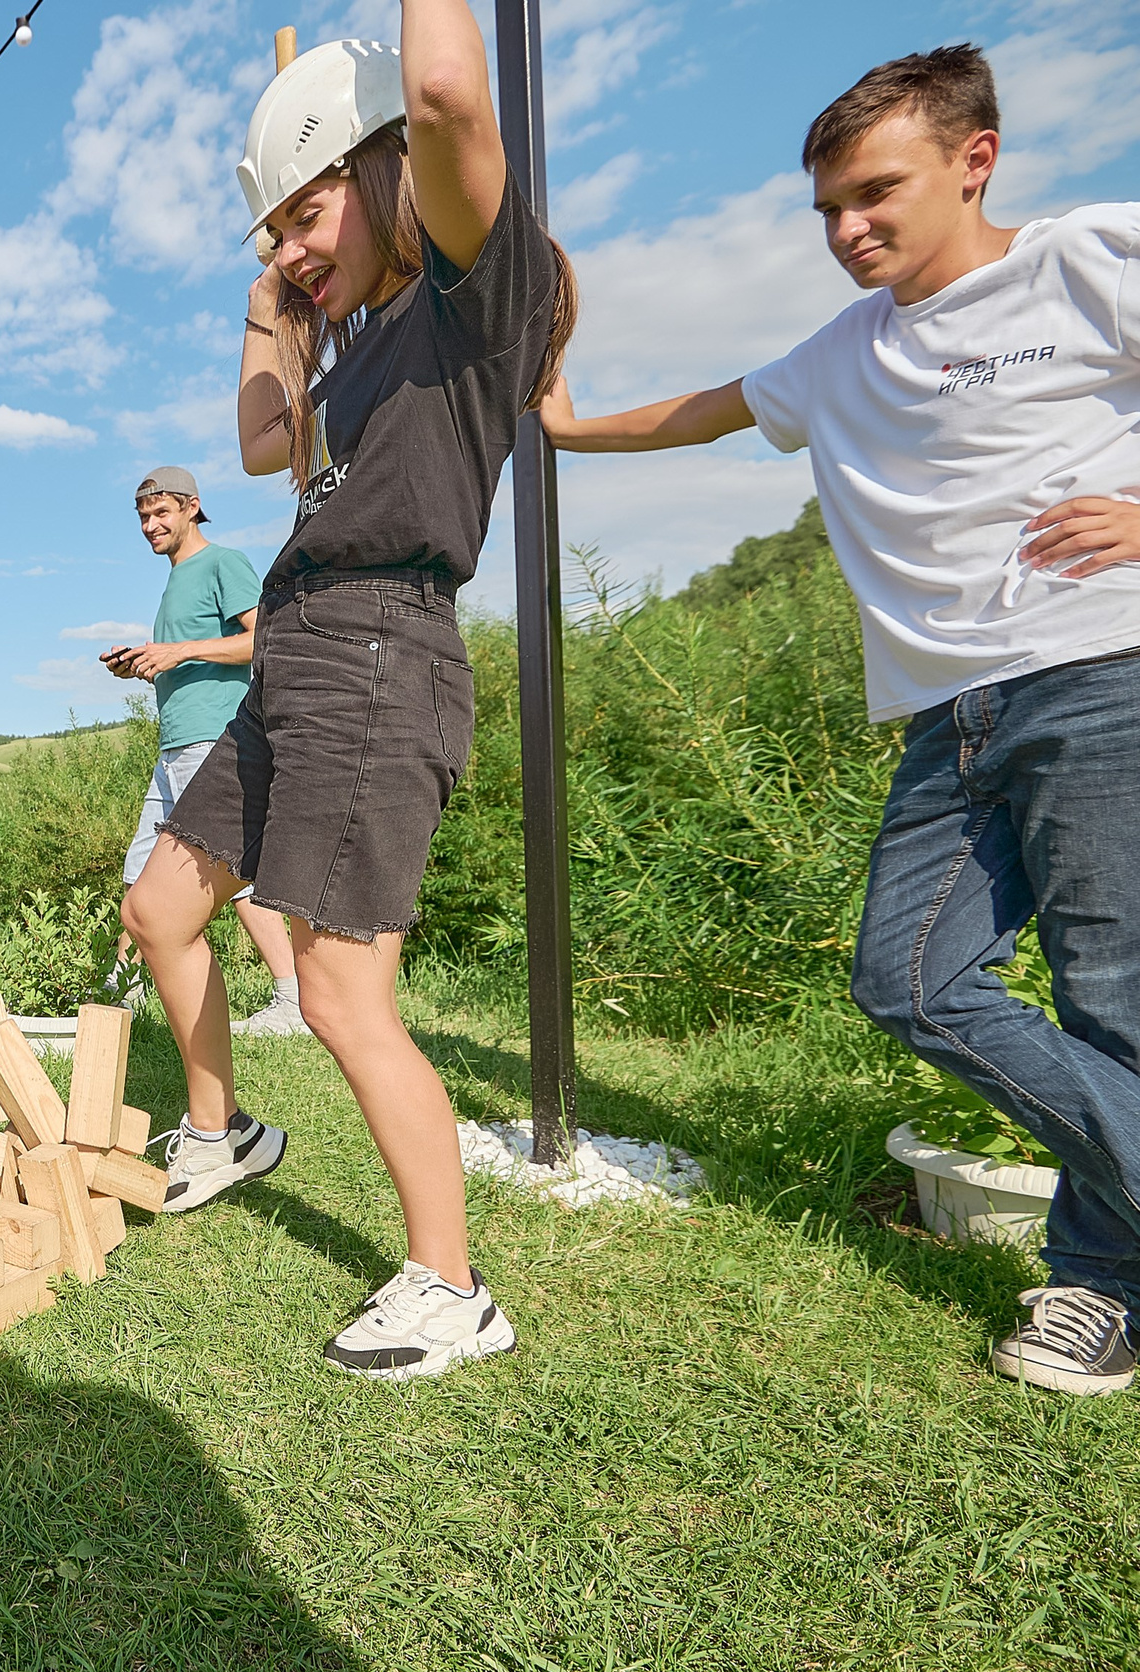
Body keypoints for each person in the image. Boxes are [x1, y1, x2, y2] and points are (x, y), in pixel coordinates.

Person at [542, 45, 1140, 1397]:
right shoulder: (840, 354)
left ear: (974, 159)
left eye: (876, 192)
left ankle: (1097, 1286)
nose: (847, 229)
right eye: (826, 209)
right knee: (908, 978)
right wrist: (565, 426)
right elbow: (701, 413)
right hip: (948, 717)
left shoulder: (1091, 259)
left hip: (1103, 671)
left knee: (1113, 1004)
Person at [124, 3, 575, 1380]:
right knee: (162, 907)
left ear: (383, 170)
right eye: (276, 229)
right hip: (299, 653)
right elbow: (263, 438)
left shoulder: (467, 302)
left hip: (383, 648)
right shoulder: (355, 337)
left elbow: (446, 91)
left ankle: (451, 1283)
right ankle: (222, 1132)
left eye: (309, 213)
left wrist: (375, 157)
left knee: (337, 992)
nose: (292, 250)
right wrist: (276, 289)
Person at [101, 466, 309, 1039]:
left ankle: (293, 1002)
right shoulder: (173, 582)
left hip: (218, 741)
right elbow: (190, 662)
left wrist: (179, 651)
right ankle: (119, 1000)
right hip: (174, 746)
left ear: (192, 507)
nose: (150, 525)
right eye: (143, 516)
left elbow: (262, 639)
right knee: (142, 873)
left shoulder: (223, 563)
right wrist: (145, 664)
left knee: (228, 872)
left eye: (161, 512)